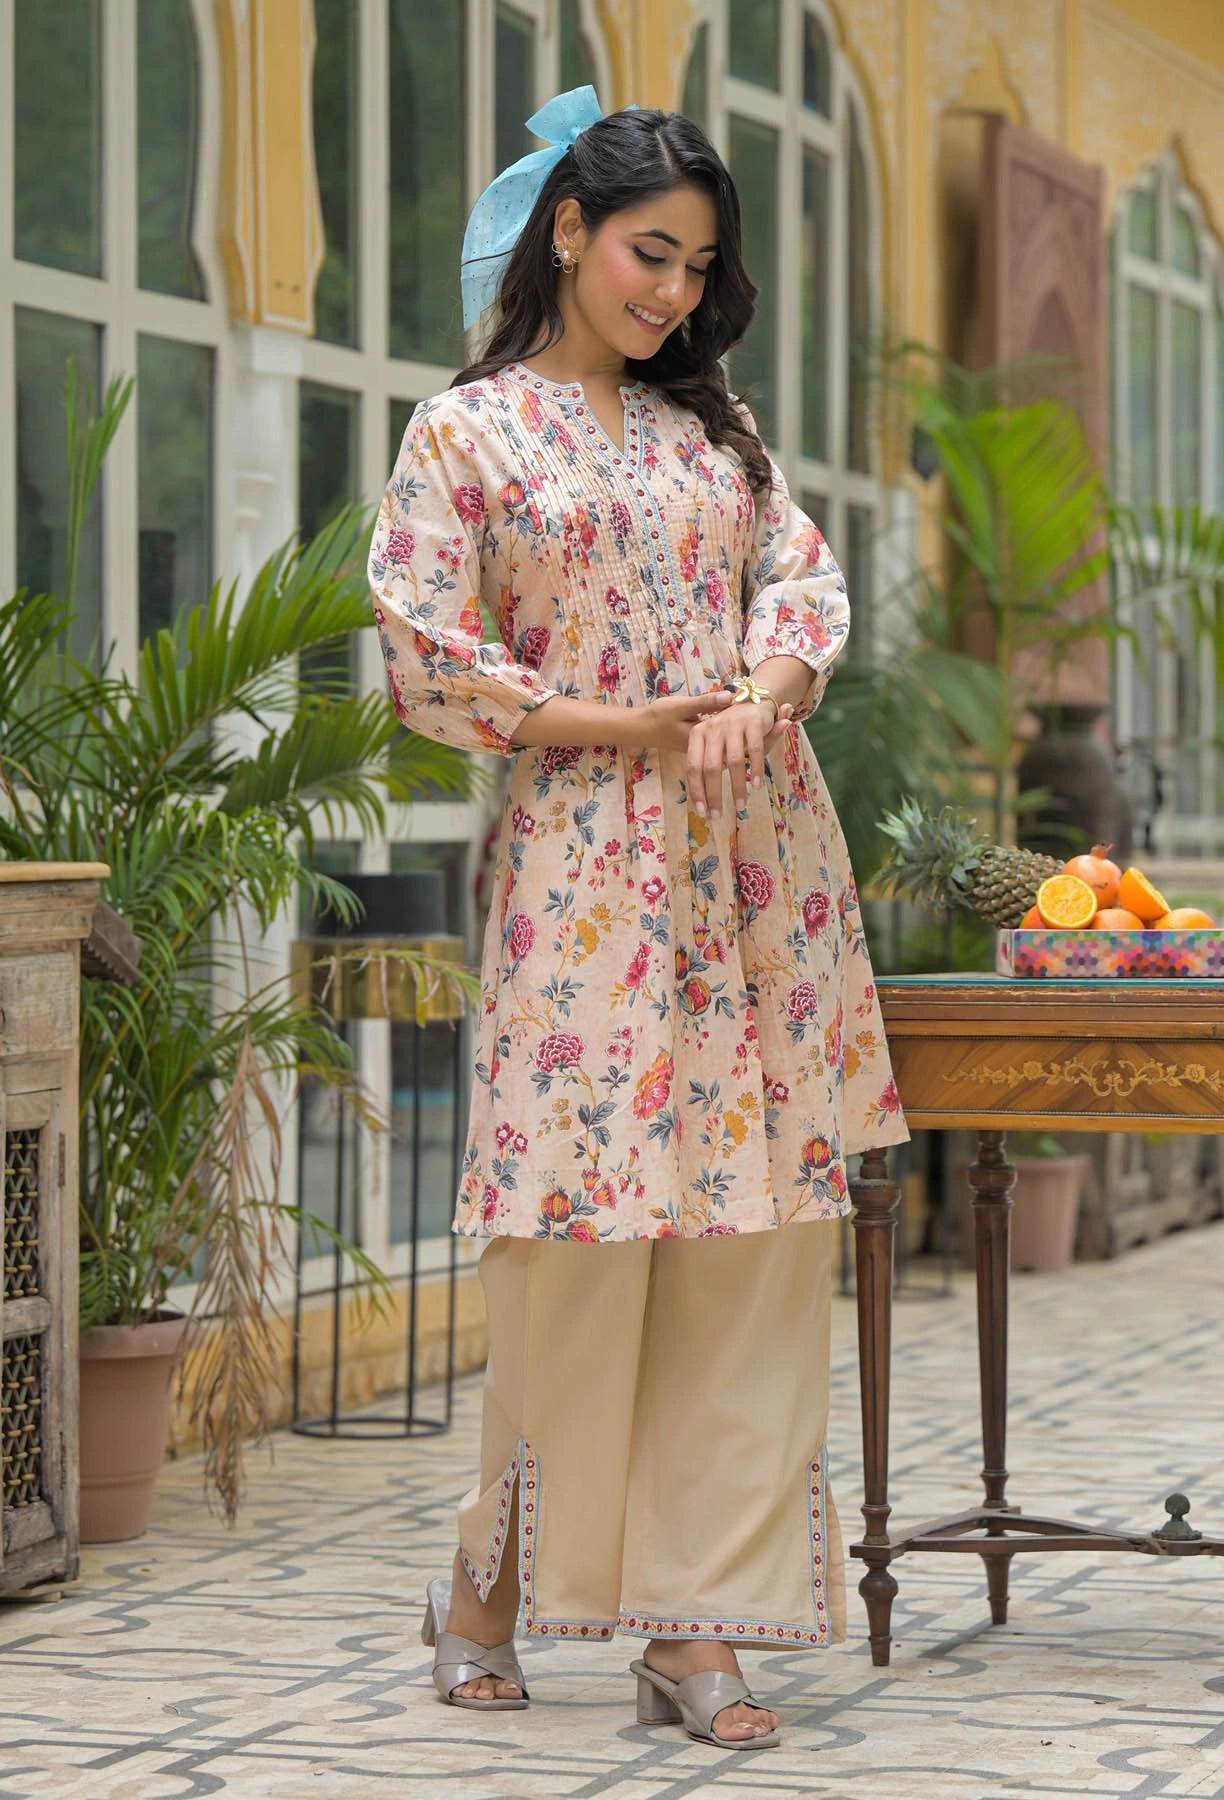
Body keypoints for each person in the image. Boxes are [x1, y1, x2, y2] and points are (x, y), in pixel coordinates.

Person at [370, 88, 908, 1752]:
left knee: (750, 1244)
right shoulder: (465, 437)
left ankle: (699, 1627)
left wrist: (768, 684)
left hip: (760, 879)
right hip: (587, 871)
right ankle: (489, 1582)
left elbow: (806, 587)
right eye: (646, 253)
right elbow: (425, 658)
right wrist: (638, 728)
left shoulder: (717, 441)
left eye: (696, 265)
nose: (670, 291)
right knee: (576, 1246)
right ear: (568, 234)